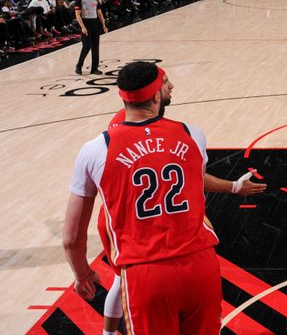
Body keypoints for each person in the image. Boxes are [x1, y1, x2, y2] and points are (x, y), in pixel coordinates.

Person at [63, 62, 222, 334]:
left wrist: (82, 274)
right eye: (166, 82)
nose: (171, 86)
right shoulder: (193, 135)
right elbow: (195, 183)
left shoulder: (94, 150)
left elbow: (71, 237)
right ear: (157, 96)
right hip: (200, 266)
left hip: (146, 274)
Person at [99, 105, 265, 335]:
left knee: (122, 280)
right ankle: (108, 332)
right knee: (122, 280)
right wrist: (233, 187)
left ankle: (107, 333)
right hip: (132, 223)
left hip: (134, 221)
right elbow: (193, 174)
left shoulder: (107, 147)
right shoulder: (169, 138)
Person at [74, 0, 107, 75]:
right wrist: (83, 27)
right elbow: (77, 15)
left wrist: (104, 25)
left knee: (95, 47)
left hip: (95, 23)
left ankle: (94, 68)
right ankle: (79, 66)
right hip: (86, 23)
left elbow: (100, 14)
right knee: (86, 46)